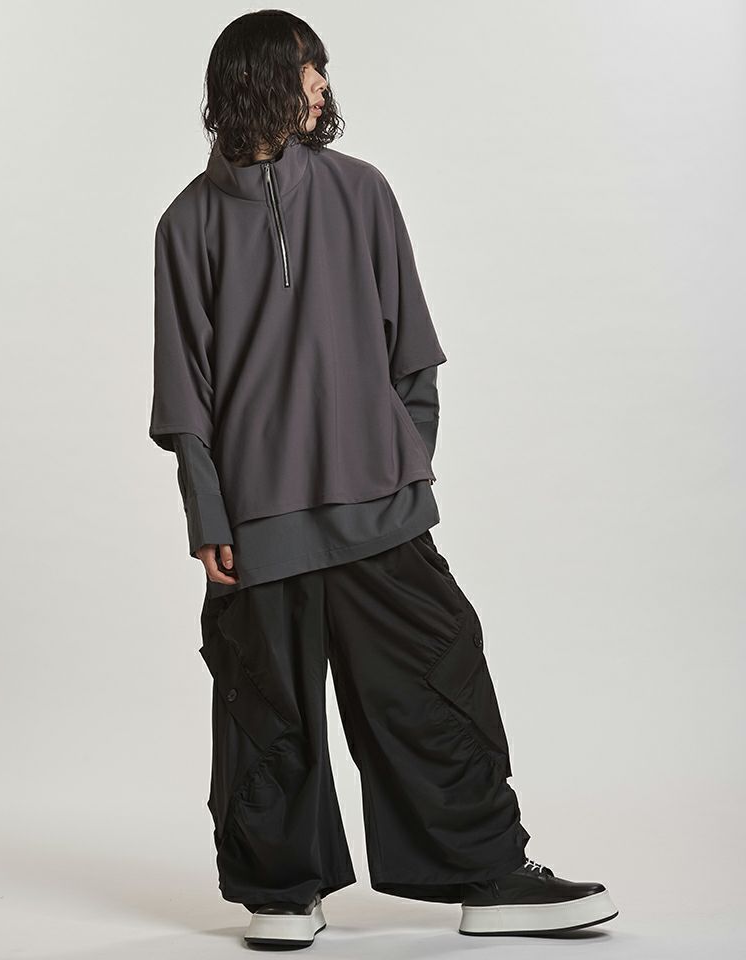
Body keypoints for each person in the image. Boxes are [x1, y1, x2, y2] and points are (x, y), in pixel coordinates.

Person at [149, 9, 618, 949]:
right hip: (257, 521)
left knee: (435, 680)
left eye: (322, 69)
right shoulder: (186, 222)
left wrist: (402, 458)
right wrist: (208, 514)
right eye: (308, 69)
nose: (322, 85)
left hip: (379, 507)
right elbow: (185, 391)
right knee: (265, 711)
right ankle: (283, 894)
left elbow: (413, 349)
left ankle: (489, 875)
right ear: (258, 79)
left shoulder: (361, 190)